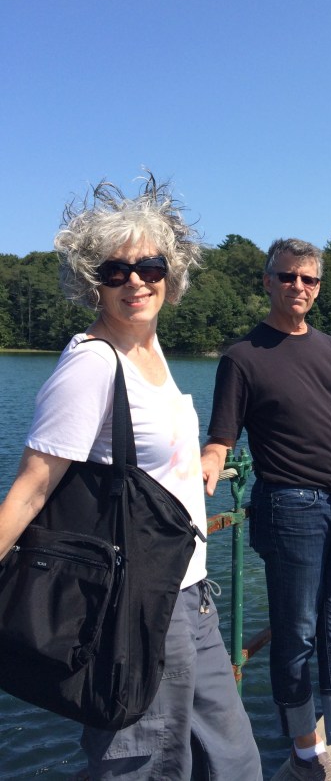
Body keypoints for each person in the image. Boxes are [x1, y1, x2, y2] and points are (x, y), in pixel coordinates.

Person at [0, 175, 262, 781]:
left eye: (149, 265)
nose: (136, 280)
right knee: (140, 766)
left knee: (235, 762)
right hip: (135, 604)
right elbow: (33, 486)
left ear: (172, 275)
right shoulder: (92, 364)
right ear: (94, 283)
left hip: (191, 594)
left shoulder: (152, 348)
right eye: (116, 271)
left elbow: (145, 449)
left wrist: (205, 461)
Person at [202, 238, 331, 781]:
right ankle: (305, 747)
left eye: (309, 280)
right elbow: (221, 439)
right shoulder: (243, 356)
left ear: (318, 288)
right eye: (287, 277)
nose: (298, 287)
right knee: (296, 633)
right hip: (289, 506)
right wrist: (204, 467)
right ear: (267, 282)